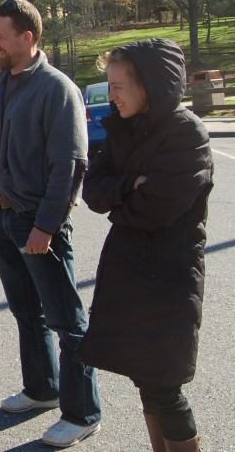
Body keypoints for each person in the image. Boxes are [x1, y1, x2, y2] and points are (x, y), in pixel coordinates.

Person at [0, 0, 101, 448]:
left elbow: (69, 165)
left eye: (0, 37)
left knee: (67, 321)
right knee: (26, 313)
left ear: (27, 37)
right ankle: (42, 390)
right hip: (1, 218)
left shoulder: (56, 88)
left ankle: (83, 412)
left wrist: (46, 227)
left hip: (37, 224)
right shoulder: (0, 86)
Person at [80, 39, 212, 452]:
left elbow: (156, 209)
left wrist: (121, 199)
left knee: (165, 387)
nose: (112, 95)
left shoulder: (186, 134)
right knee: (147, 383)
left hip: (168, 278)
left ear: (148, 86)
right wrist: (128, 186)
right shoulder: (124, 129)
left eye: (118, 86)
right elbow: (93, 191)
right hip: (131, 272)